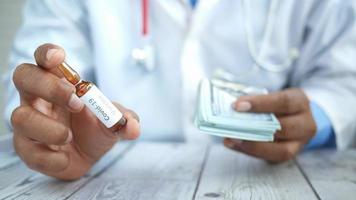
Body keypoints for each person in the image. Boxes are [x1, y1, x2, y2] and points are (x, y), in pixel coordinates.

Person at [3, 0, 356, 180]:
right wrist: (47, 126)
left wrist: (318, 116)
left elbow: (346, 76)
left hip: (262, 176)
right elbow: (36, 72)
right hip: (112, 173)